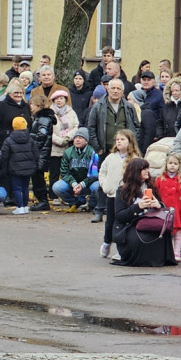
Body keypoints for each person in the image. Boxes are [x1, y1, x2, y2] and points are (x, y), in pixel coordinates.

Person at [87, 78, 139, 223]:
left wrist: (133, 146)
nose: (115, 91)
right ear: (107, 89)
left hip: (126, 152)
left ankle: (123, 210)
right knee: (105, 180)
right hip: (105, 150)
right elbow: (91, 127)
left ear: (123, 91)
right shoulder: (98, 106)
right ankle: (99, 210)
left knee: (126, 180)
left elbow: (136, 127)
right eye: (113, 88)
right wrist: (98, 148)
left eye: (118, 89)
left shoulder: (129, 107)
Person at [112, 158, 176, 267]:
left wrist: (158, 205)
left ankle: (158, 259)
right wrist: (138, 207)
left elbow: (160, 208)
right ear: (135, 171)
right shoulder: (122, 191)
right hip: (130, 225)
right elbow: (120, 216)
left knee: (160, 233)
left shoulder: (152, 187)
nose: (147, 171)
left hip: (149, 221)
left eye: (147, 168)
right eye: (144, 169)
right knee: (140, 239)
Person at [97, 129, 141, 258]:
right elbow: (102, 171)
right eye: (117, 139)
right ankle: (107, 242)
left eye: (122, 139)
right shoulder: (110, 157)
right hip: (112, 196)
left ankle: (121, 248)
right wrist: (105, 185)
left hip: (127, 197)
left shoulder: (134, 159)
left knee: (123, 222)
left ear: (130, 142)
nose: (119, 142)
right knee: (110, 221)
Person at [153, 153, 181, 262]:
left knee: (177, 233)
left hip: (176, 212)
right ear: (166, 164)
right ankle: (162, 252)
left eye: (175, 163)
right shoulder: (160, 179)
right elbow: (156, 194)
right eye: (170, 163)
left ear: (179, 165)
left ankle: (177, 252)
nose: (172, 166)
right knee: (163, 232)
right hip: (163, 211)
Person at [52, 129, 100, 210]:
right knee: (57, 187)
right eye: (75, 138)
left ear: (86, 141)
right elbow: (64, 172)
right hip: (73, 184)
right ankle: (75, 202)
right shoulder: (67, 152)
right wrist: (74, 184)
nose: (77, 140)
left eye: (81, 138)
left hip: (89, 183)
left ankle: (92, 204)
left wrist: (82, 184)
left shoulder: (93, 152)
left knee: (97, 187)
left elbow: (95, 174)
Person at [0, 118, 38, 215]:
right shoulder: (30, 139)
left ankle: (19, 206)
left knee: (17, 188)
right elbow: (36, 153)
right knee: (25, 187)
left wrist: (4, 168)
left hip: (14, 168)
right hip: (28, 168)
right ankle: (25, 206)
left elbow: (5, 156)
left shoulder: (8, 140)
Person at [27, 93, 56, 210]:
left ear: (38, 105)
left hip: (40, 153)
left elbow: (41, 136)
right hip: (40, 152)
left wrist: (33, 148)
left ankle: (43, 201)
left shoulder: (43, 119)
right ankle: (41, 200)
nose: (30, 107)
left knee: (38, 178)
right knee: (37, 177)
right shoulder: (40, 118)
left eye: (32, 104)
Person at [49, 90, 79, 194]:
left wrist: (67, 137)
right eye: (56, 99)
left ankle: (68, 194)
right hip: (54, 148)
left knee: (68, 172)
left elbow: (76, 126)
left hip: (68, 146)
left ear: (65, 100)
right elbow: (49, 130)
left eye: (61, 98)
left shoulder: (71, 112)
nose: (59, 101)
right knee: (54, 172)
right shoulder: (50, 112)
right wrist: (59, 140)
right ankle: (54, 196)